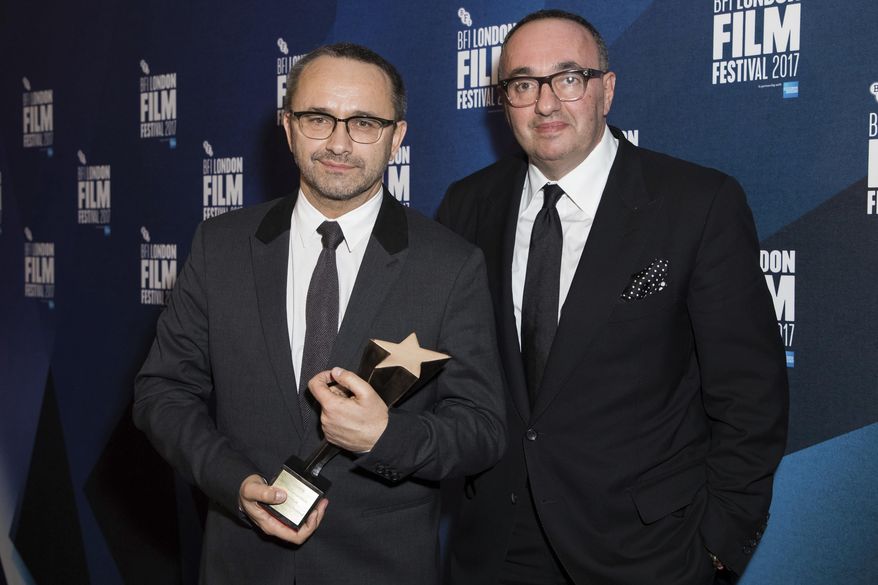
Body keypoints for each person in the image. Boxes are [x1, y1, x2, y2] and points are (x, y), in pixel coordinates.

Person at [437, 9, 788, 585]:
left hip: (649, 550)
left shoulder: (697, 204)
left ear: (608, 89)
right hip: (498, 547)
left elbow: (751, 395)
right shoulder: (467, 205)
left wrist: (718, 548)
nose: (546, 103)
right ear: (504, 101)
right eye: (523, 84)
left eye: (569, 78)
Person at [134, 42, 505, 585]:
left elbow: (483, 429)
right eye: (317, 118)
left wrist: (386, 436)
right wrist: (235, 484)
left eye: (364, 123)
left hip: (381, 569)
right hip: (241, 562)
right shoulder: (221, 246)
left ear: (397, 136)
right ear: (287, 127)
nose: (338, 142)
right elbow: (161, 392)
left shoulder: (450, 265)